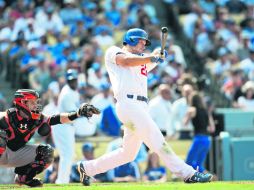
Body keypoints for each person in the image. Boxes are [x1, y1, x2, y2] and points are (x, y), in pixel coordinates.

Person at [77, 28, 213, 186]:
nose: (143, 45)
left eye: (145, 43)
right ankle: (188, 173)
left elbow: (147, 61)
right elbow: (127, 61)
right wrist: (152, 57)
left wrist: (157, 55)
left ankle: (86, 168)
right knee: (157, 140)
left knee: (127, 154)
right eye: (141, 42)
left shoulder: (141, 60)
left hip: (140, 106)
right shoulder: (114, 52)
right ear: (132, 40)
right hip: (128, 105)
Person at [0, 89, 100, 187]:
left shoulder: (37, 118)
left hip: (17, 153)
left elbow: (57, 118)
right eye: (32, 102)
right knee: (1, 137)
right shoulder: (5, 118)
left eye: (36, 102)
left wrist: (78, 113)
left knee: (46, 152)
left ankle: (24, 178)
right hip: (2, 153)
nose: (36, 105)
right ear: (22, 103)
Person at [52, 68, 96, 184]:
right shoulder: (66, 94)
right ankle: (62, 181)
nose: (73, 82)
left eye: (75, 80)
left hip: (67, 126)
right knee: (67, 154)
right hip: (61, 126)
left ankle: (63, 180)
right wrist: (86, 111)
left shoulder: (73, 91)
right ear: (67, 81)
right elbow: (73, 114)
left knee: (69, 155)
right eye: (71, 80)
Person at [184, 91, 215, 173]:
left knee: (188, 162)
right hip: (207, 140)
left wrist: (187, 115)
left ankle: (209, 177)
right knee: (198, 165)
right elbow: (212, 129)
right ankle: (211, 177)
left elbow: (184, 123)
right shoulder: (206, 111)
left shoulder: (192, 109)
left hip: (198, 139)